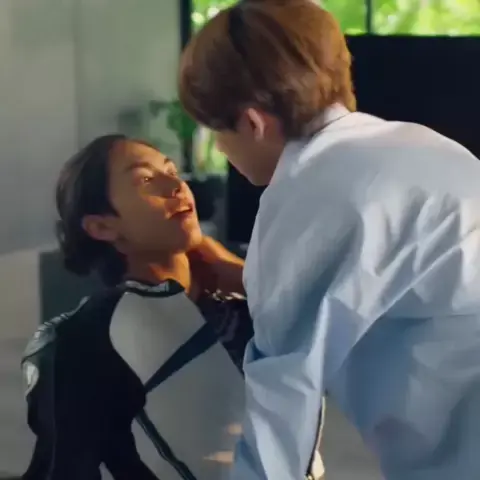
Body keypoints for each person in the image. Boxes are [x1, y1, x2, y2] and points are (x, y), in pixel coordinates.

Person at [178, 1, 480, 479]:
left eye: (217, 133)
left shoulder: (303, 196)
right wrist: (250, 278)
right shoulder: (425, 146)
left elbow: (282, 405)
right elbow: (382, 287)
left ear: (253, 123)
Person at [21, 134, 253, 480]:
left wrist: (249, 280)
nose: (176, 186)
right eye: (145, 179)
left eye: (171, 171)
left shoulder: (244, 305)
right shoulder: (87, 337)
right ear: (102, 226)